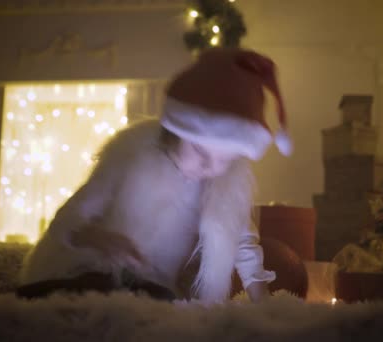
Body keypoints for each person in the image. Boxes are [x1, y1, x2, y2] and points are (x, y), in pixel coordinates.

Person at [17, 47, 293, 304]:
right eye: (199, 150)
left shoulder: (227, 184)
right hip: (84, 269)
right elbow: (65, 221)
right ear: (175, 133)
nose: (210, 167)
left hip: (152, 289)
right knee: (89, 292)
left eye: (225, 159)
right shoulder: (131, 152)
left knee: (154, 305)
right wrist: (97, 237)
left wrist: (262, 301)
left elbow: (242, 242)